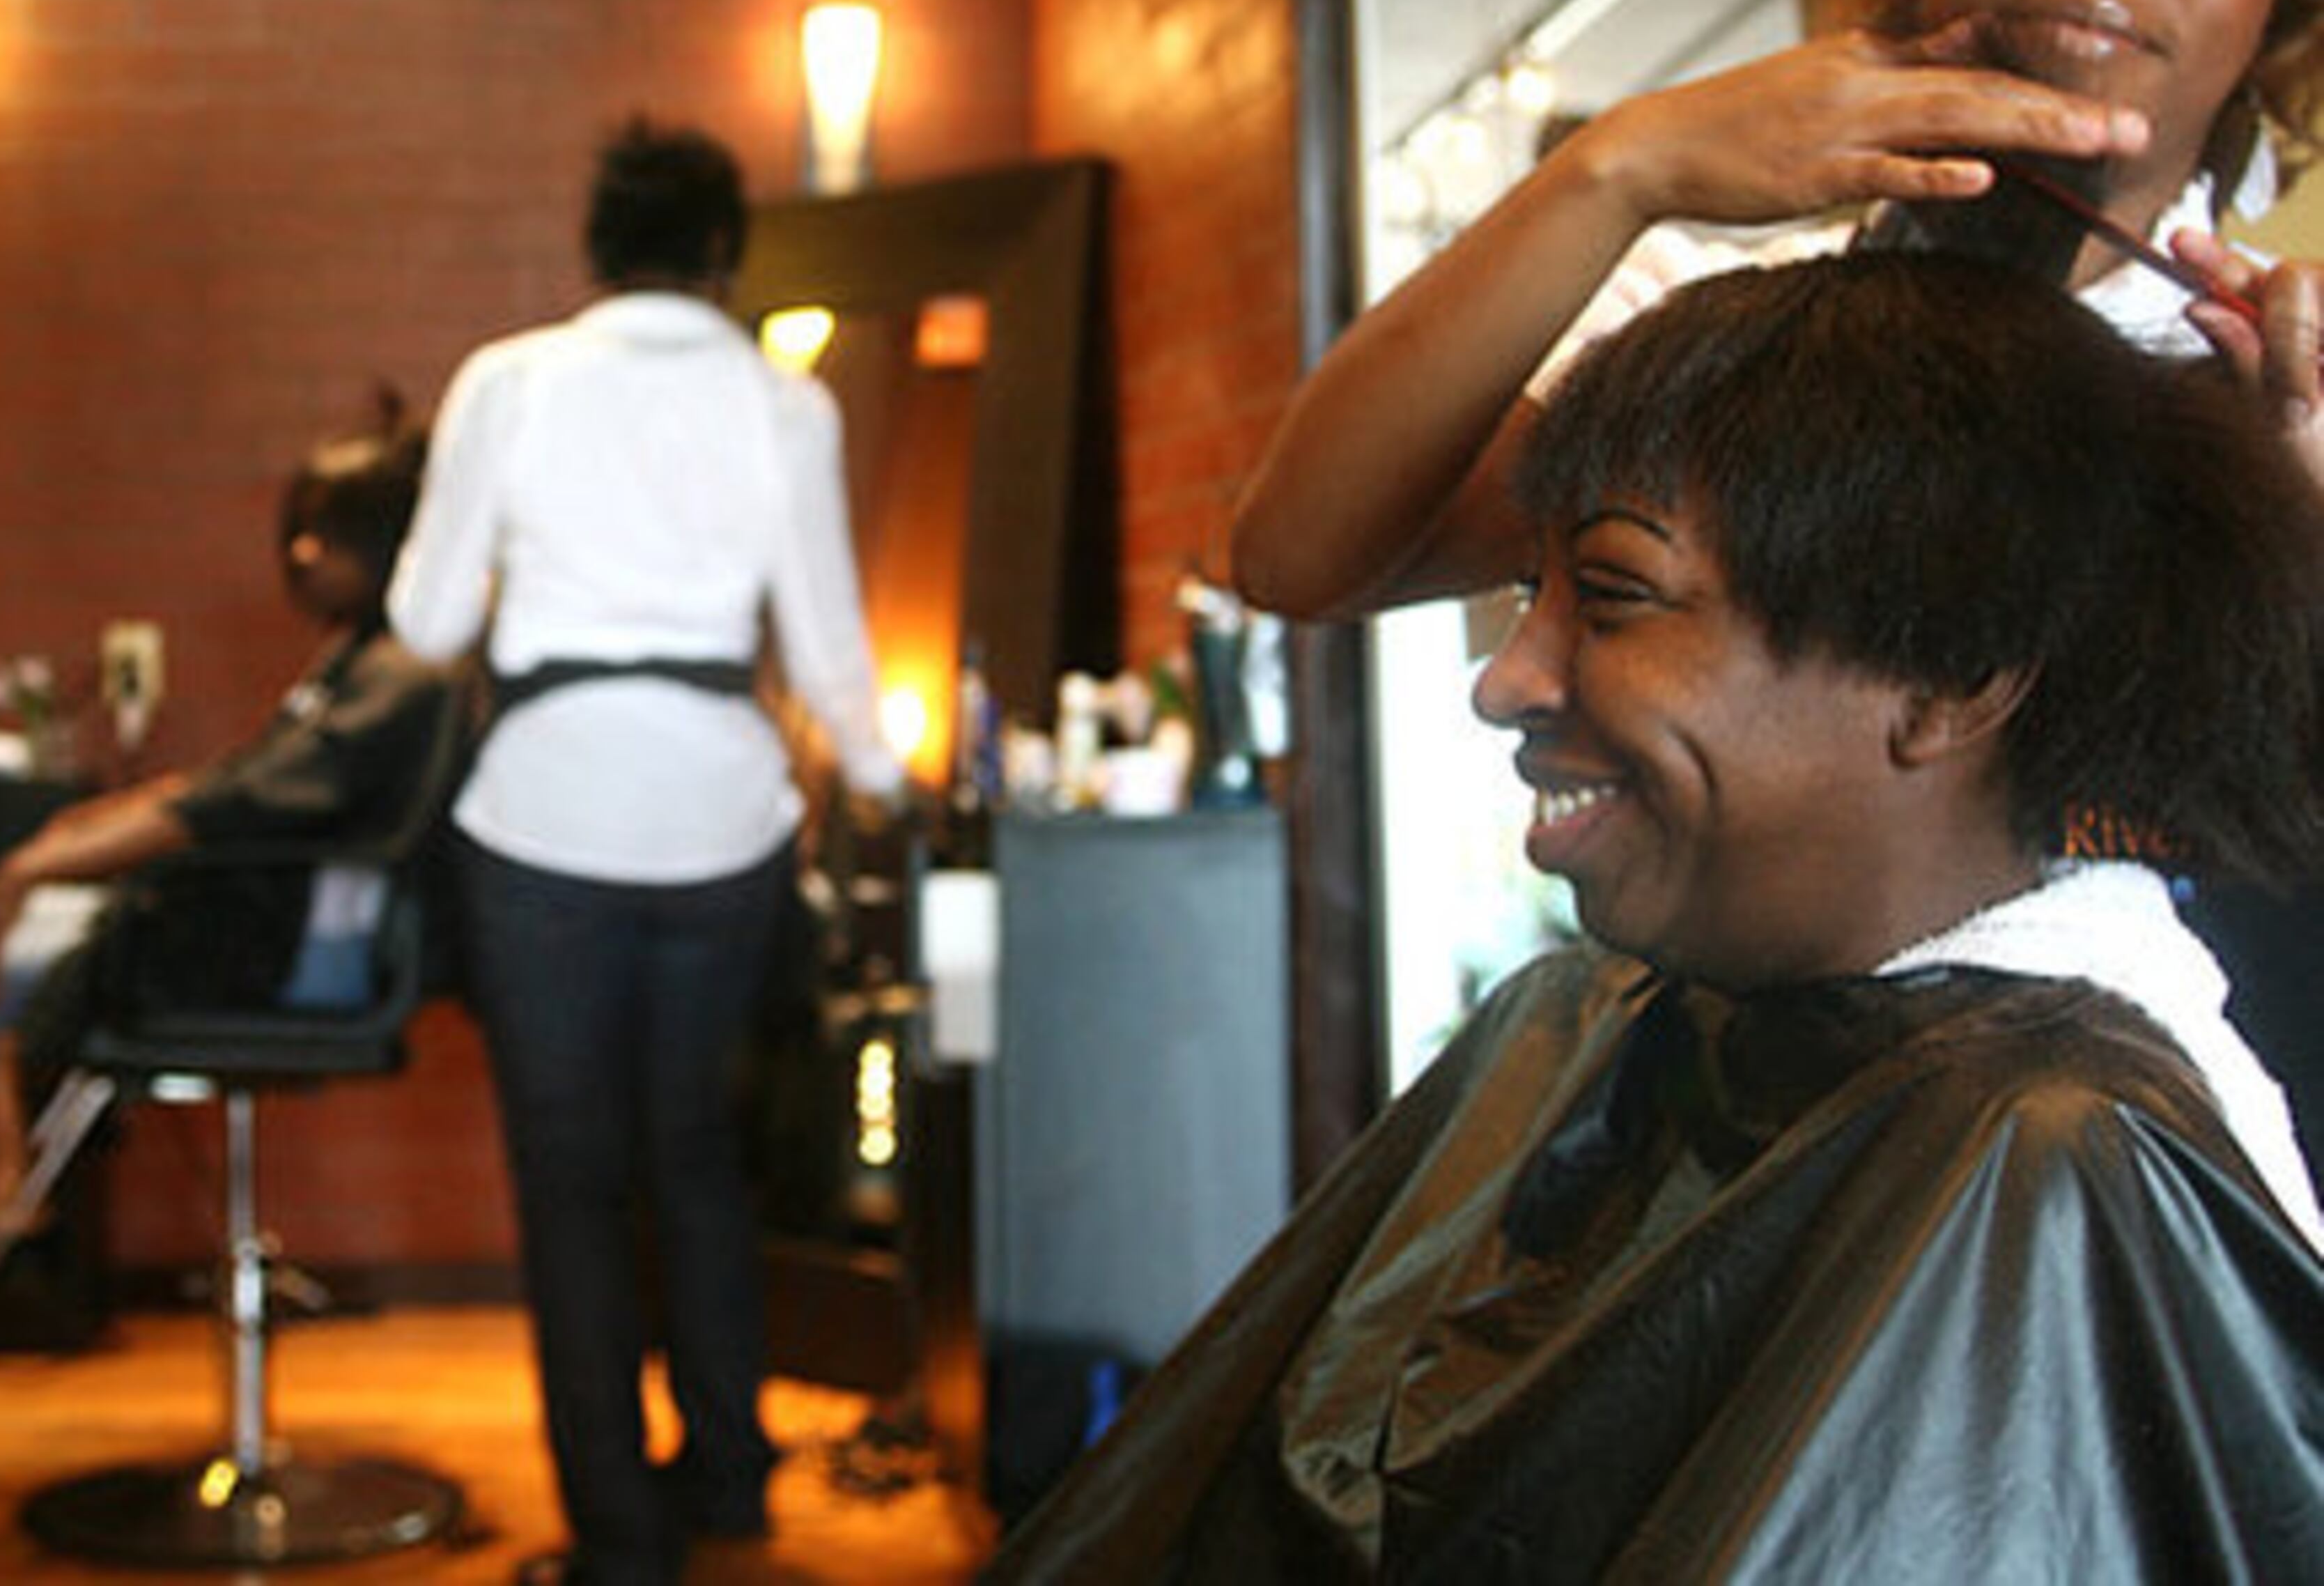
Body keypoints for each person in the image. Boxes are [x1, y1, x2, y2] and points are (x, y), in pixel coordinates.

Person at [987, 248, 2324, 1584]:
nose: (1506, 681)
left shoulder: (2065, 1169)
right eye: (1531, 593)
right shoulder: (1583, 1020)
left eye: (1614, 596)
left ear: (1946, 678)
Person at [1232, 0, 2324, 1176]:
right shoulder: (1727, 324)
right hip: (1746, 1143)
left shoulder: (2264, 397)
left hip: (2110, 1171)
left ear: (2281, 9)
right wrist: (1623, 170)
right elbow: (1300, 552)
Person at [387, 117, 904, 1586]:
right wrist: (887, 785)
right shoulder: (784, 403)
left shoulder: (511, 379)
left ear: (596, 251)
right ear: (726, 253)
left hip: (542, 817)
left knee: (570, 1178)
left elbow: (425, 625)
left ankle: (618, 1539)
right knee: (695, 1153)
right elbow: (827, 644)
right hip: (722, 817)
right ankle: (732, 1484)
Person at [0, 406, 456, 1276]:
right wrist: (55, 845)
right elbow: (227, 784)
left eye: (328, 536)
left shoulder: (404, 678)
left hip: (292, 954)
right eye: (298, 532)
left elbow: (234, 808)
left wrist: (32, 868)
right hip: (261, 924)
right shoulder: (360, 664)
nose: (301, 555)